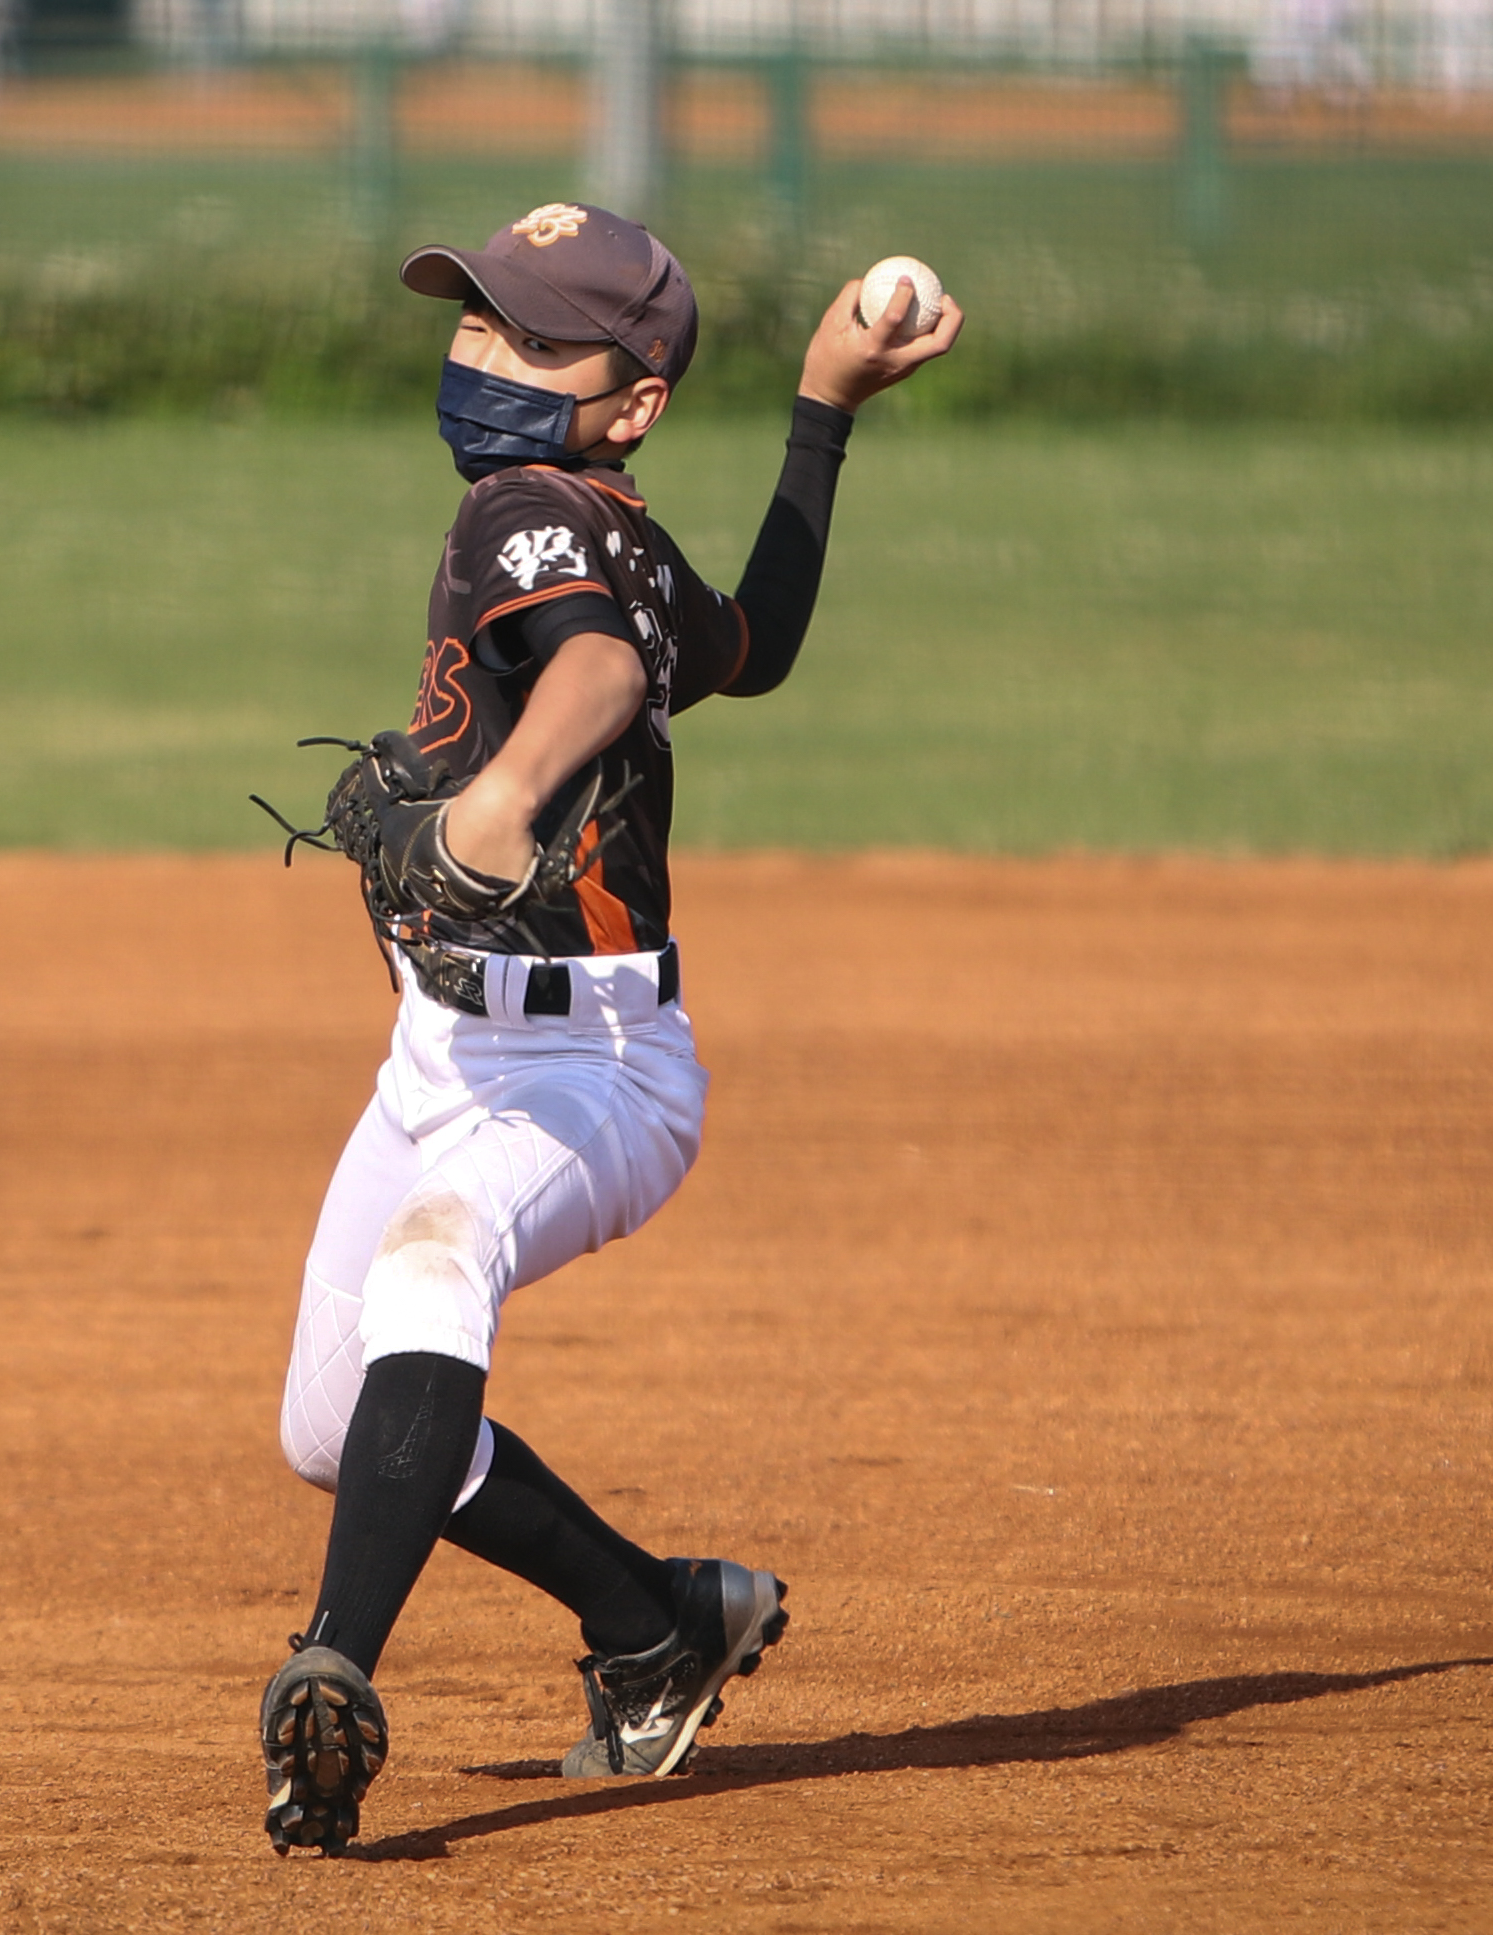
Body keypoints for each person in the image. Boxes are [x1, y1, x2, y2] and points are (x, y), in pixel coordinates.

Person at [256, 202, 962, 1856]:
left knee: (430, 1275)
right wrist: (822, 411)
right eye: (474, 319)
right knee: (331, 1425)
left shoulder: (523, 508)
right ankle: (654, 1621)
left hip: (590, 1068)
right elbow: (748, 649)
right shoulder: (611, 527)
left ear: (630, 399)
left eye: (529, 338)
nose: (480, 355)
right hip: (442, 1057)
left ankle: (331, 1668)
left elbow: (597, 681)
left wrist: (501, 795)